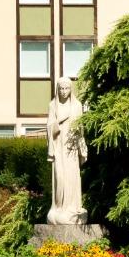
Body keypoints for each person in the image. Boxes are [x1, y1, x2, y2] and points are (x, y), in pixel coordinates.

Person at [46, 76, 88, 224]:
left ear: (71, 89)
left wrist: (82, 147)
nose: (64, 91)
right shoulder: (53, 105)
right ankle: (59, 208)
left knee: (72, 178)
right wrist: (58, 122)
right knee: (60, 178)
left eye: (66, 88)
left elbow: (80, 128)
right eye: (61, 89)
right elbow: (49, 127)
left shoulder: (77, 105)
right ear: (57, 90)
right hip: (59, 147)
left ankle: (72, 208)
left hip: (71, 149)